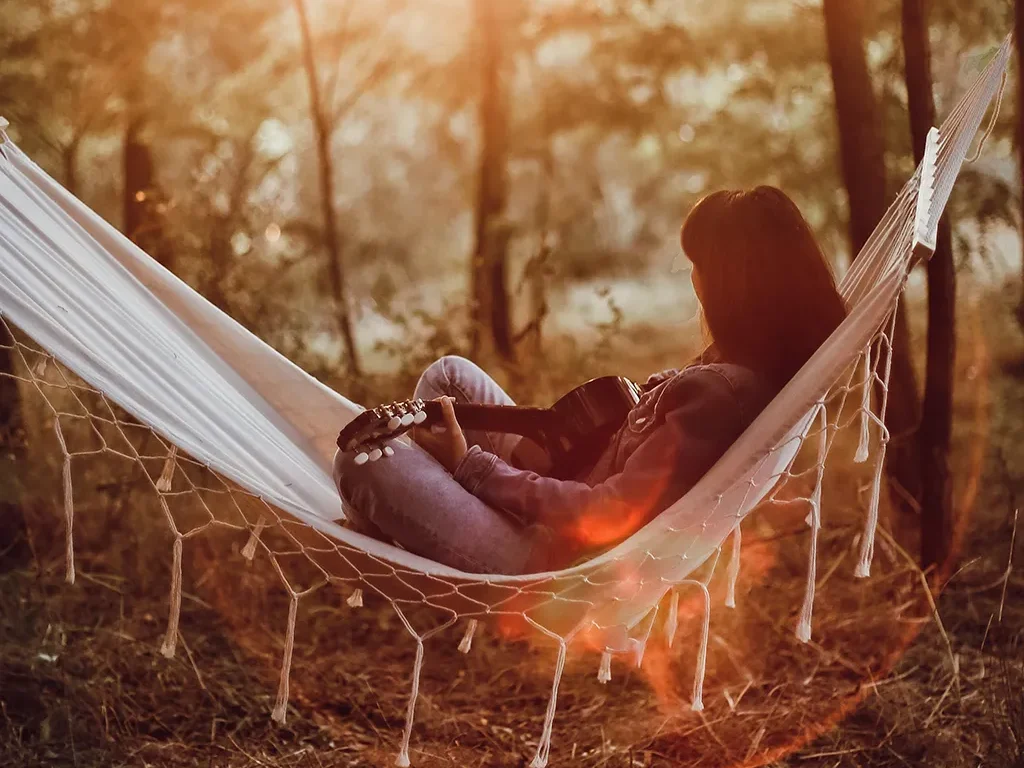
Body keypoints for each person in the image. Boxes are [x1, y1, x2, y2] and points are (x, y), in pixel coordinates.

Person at [333, 187, 847, 574]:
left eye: (701, 267)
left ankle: (413, 522)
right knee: (450, 376)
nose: (694, 281)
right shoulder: (753, 365)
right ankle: (430, 509)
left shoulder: (719, 395)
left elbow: (608, 515)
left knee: (362, 459)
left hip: (548, 556)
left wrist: (470, 467)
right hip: (563, 492)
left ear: (737, 282)